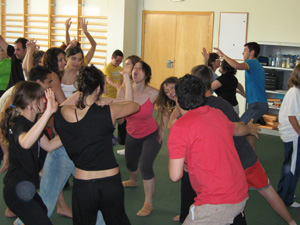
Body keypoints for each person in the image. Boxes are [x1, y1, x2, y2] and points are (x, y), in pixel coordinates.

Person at [170, 65, 296, 225]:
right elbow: (236, 128)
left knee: (216, 194)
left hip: (228, 167)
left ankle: (192, 213)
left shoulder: (198, 115)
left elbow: (175, 172)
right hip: (239, 169)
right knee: (263, 192)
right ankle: (291, 221)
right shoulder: (218, 108)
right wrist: (250, 128)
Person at [54, 65, 138, 225]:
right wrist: (104, 101)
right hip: (110, 183)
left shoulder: (63, 113)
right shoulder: (109, 111)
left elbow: (61, 106)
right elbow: (134, 105)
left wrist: (85, 94)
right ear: (99, 87)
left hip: (84, 185)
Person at [168, 74, 251, 225]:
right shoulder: (217, 113)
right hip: (240, 192)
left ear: (178, 100)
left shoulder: (180, 127)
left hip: (217, 202)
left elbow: (175, 175)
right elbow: (233, 129)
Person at [0, 81, 62, 225]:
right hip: (16, 189)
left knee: (41, 210)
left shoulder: (32, 125)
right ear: (31, 102)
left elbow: (50, 146)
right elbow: (25, 143)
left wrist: (75, 133)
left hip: (26, 187)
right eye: (41, 98)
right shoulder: (18, 123)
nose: (44, 101)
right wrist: (48, 113)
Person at [118, 61, 161, 216]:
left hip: (151, 134)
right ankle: (133, 180)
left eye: (139, 68)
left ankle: (148, 203)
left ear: (146, 74)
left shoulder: (154, 93)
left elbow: (164, 111)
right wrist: (119, 118)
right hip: (132, 133)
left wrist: (162, 129)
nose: (135, 70)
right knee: (130, 164)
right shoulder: (123, 91)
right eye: (133, 68)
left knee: (145, 165)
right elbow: (122, 116)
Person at [214, 42, 268, 124]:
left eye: (245, 50)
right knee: (245, 128)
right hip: (256, 104)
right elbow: (239, 85)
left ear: (252, 52)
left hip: (257, 104)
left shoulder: (252, 62)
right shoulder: (256, 64)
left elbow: (237, 66)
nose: (243, 53)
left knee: (241, 126)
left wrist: (223, 55)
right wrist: (242, 93)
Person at [278, 63, 300, 208]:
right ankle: (286, 198)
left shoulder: (296, 91)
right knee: (293, 167)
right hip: (293, 135)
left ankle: (282, 194)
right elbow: (292, 117)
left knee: (288, 166)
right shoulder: (294, 93)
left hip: (292, 134)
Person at [116, 55, 141, 155]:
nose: (125, 66)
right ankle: (128, 147)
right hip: (125, 105)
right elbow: (122, 90)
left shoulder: (136, 79)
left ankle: (133, 148)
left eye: (128, 64)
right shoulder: (126, 77)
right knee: (123, 126)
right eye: (125, 64)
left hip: (134, 107)